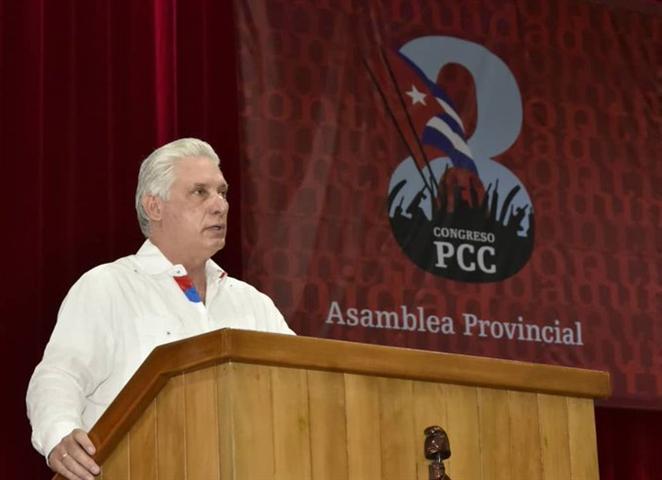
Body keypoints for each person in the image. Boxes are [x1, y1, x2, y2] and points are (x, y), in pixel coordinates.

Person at [26, 138, 294, 480]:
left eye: (222, 192)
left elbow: (299, 384)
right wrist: (60, 435)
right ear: (154, 206)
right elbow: (59, 375)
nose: (220, 205)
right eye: (200, 192)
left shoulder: (252, 303)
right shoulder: (108, 287)